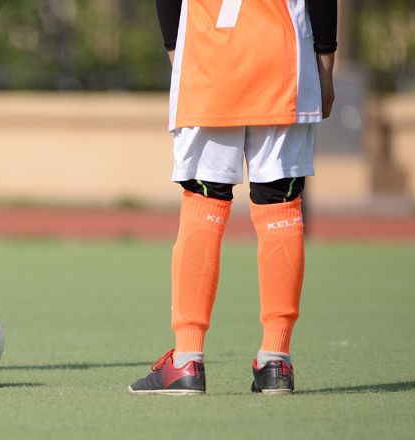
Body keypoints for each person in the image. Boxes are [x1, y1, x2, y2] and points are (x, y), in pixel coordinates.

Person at [129, 0, 337, 395]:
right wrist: (325, 67)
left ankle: (187, 359)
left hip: (210, 56)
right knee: (280, 202)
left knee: (203, 199)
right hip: (283, 57)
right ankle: (276, 361)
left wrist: (178, 54)